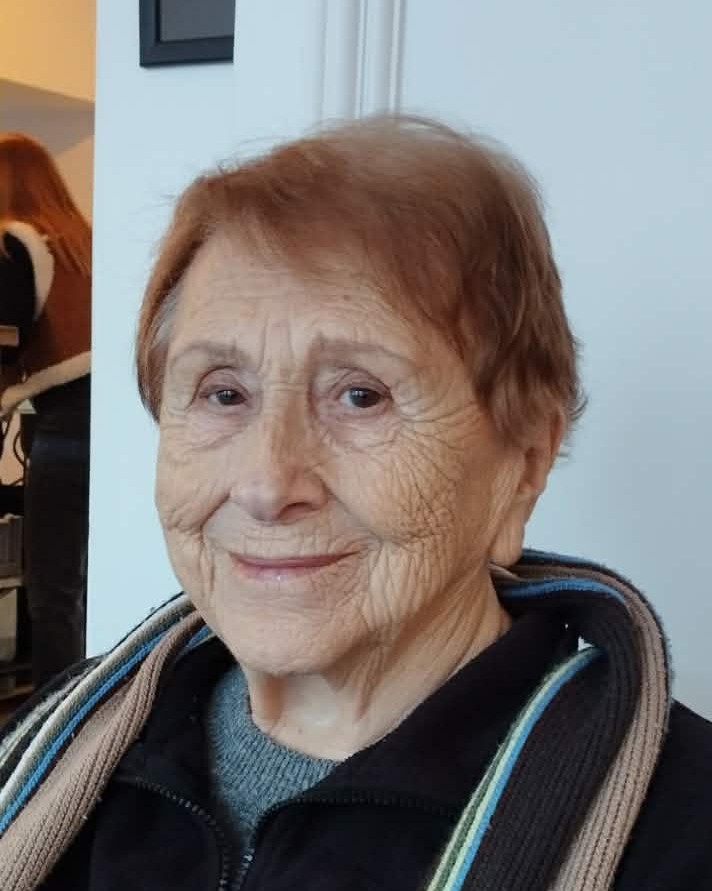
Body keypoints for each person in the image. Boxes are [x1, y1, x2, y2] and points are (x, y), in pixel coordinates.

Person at [0, 116, 710, 891]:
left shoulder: (682, 833)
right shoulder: (57, 747)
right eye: (224, 393)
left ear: (523, 464)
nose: (267, 484)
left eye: (361, 395)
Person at [0, 133, 91, 690]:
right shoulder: (82, 242)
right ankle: (92, 705)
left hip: (63, 420)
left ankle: (53, 720)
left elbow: (5, 334)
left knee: (52, 590)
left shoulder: (17, 240)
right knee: (84, 582)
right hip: (106, 418)